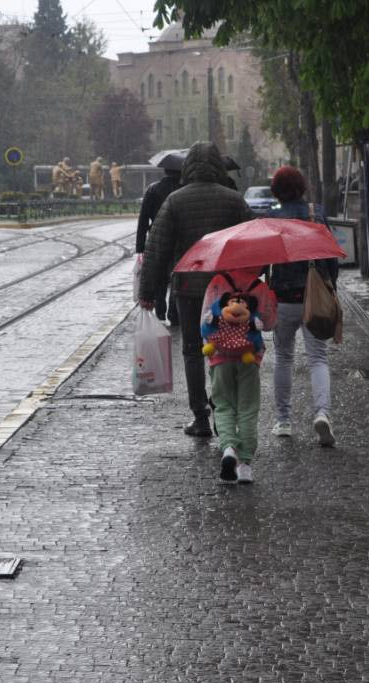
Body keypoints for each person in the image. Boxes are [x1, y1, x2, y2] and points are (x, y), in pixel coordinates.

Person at [138, 141, 254, 438]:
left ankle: (200, 417)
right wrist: (253, 281)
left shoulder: (175, 201)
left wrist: (148, 291)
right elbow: (252, 243)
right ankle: (224, 413)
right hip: (226, 290)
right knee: (225, 349)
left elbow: (157, 248)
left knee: (192, 350)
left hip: (188, 288)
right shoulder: (233, 200)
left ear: (188, 167)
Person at [266, 166, 339, 446]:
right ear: (302, 186)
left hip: (283, 300)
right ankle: (322, 414)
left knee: (283, 358)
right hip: (313, 296)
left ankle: (283, 420)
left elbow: (264, 260)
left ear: (276, 190)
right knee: (318, 358)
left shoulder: (272, 218)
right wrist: (331, 284)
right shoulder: (315, 214)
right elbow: (331, 255)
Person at [199, 270, 277, 483]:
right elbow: (269, 323)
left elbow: (203, 326)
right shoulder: (259, 287)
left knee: (223, 406)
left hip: (219, 358)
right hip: (249, 358)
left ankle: (229, 449)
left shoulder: (217, 282)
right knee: (248, 408)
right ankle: (245, 466)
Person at [136, 167, 183, 323]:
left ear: (165, 170)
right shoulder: (182, 189)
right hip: (178, 238)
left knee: (160, 275)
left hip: (157, 238)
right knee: (176, 274)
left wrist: (140, 247)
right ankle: (173, 312)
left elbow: (143, 220)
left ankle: (160, 311)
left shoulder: (153, 189)